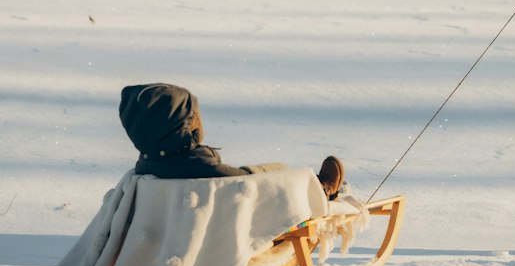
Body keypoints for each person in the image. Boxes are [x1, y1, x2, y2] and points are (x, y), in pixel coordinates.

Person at [118, 82, 345, 199]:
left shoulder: (147, 167)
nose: (199, 121)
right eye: (193, 117)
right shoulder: (203, 168)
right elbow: (250, 187)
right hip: (240, 218)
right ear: (181, 127)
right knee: (280, 180)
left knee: (265, 169)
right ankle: (321, 188)